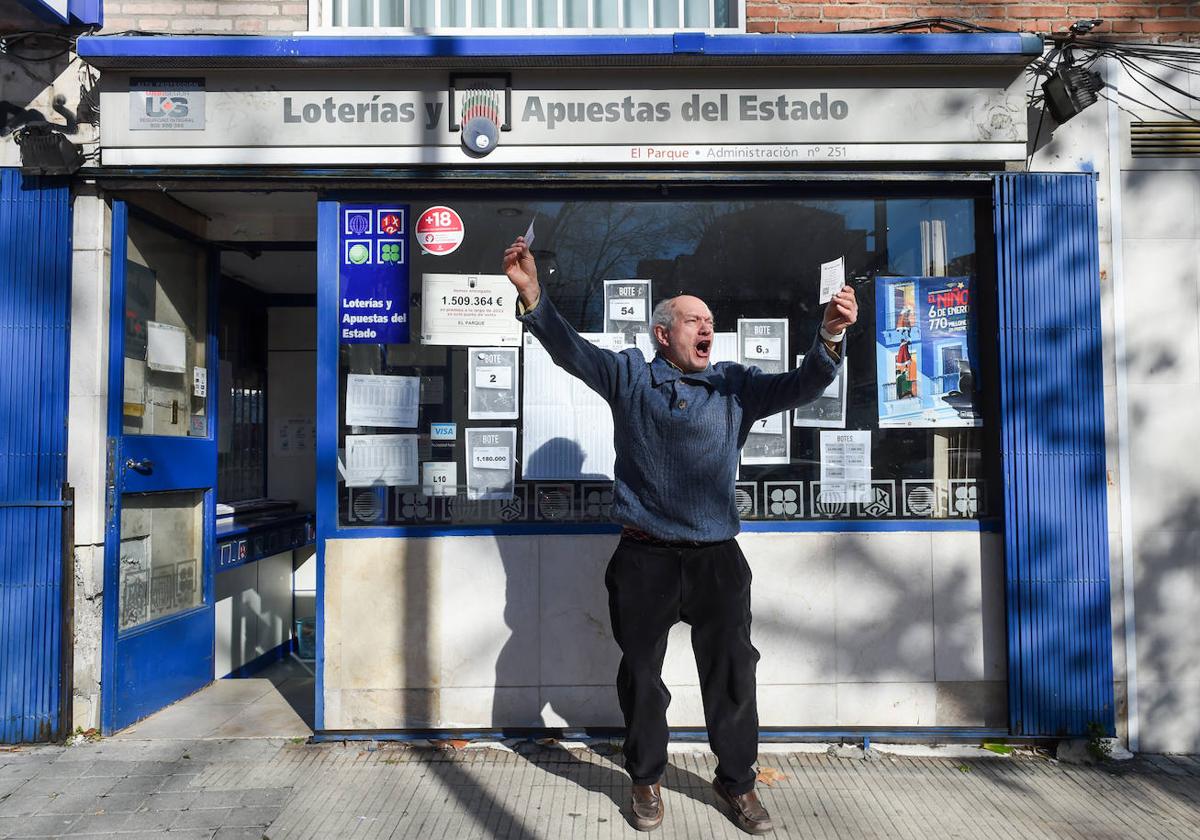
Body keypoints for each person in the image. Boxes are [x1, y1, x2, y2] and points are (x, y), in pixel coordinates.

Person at [502, 237, 858, 835]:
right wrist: (534, 296)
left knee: (732, 674)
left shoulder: (734, 387)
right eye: (695, 320)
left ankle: (737, 783)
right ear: (663, 334)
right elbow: (571, 352)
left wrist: (828, 338)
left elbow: (801, 387)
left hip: (717, 558)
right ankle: (645, 780)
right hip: (644, 558)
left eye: (711, 323)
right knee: (641, 675)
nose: (708, 330)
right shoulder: (629, 378)